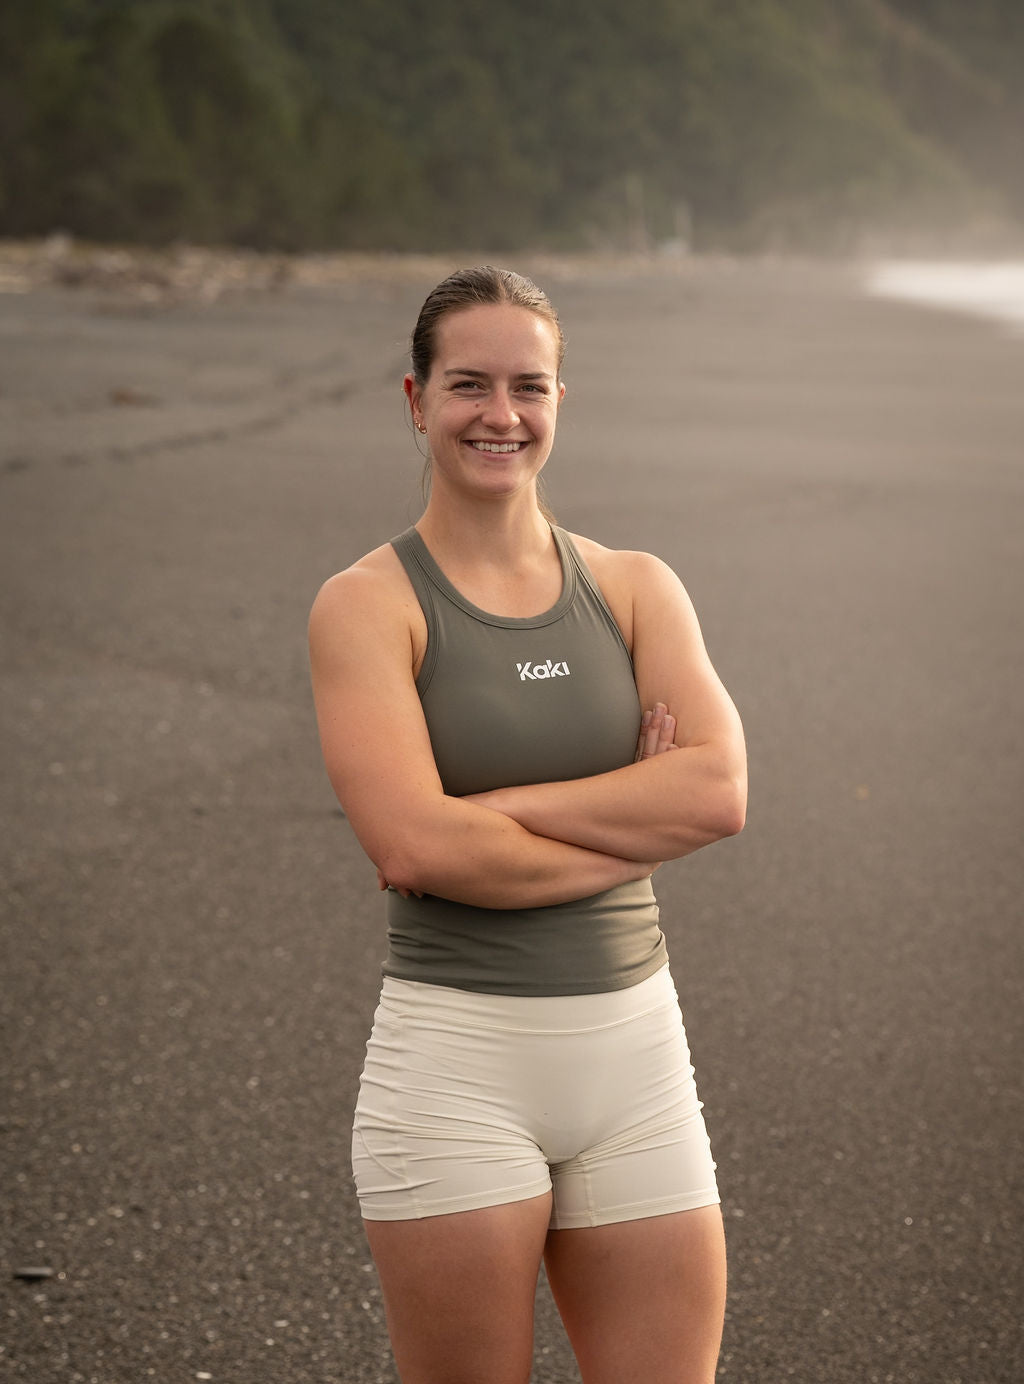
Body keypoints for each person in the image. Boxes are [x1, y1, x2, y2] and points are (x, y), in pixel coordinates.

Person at [308, 266, 747, 1384]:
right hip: (454, 1076)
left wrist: (500, 815)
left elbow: (715, 794)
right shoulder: (368, 604)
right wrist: (629, 822)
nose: (500, 414)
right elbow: (415, 847)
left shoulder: (635, 586)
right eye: (469, 384)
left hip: (640, 1068)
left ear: (559, 401)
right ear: (416, 400)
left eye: (528, 386)